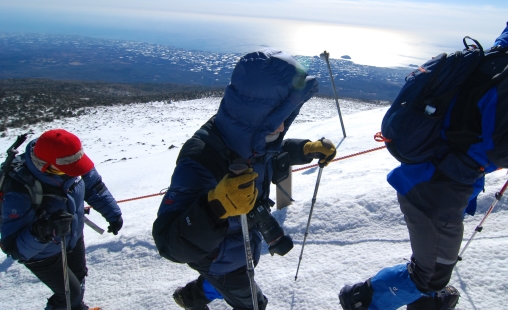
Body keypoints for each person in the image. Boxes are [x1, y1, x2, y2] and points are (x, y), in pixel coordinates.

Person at [339, 0, 508, 310]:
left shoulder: (491, 62)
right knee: (429, 275)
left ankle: (424, 300)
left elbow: (477, 123)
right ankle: (363, 301)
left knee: (433, 262)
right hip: (438, 191)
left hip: (427, 178)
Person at [152, 49, 337, 310]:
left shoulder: (250, 139)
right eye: (276, 120)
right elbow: (169, 244)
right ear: (255, 117)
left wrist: (305, 149)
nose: (283, 127)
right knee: (253, 304)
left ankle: (191, 297)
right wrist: (216, 206)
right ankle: (197, 295)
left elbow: (266, 158)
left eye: (284, 118)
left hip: (241, 245)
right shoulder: (203, 157)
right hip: (219, 257)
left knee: (226, 284)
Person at [0, 129, 123, 310]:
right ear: (45, 165)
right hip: (42, 252)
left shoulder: (70, 159)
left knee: (79, 278)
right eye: (66, 170)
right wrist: (43, 231)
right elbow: (15, 248)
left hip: (72, 236)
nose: (74, 173)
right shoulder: (18, 187)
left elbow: (94, 187)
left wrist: (113, 214)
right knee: (68, 294)